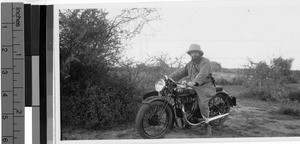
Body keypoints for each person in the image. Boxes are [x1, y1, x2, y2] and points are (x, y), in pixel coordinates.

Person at [169, 44, 216, 137]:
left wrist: (194, 82)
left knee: (202, 103)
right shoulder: (190, 64)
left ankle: (207, 125)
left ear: (199, 53)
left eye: (196, 52)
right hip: (194, 85)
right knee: (182, 98)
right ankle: (188, 119)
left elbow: (203, 73)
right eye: (192, 52)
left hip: (206, 86)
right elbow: (180, 73)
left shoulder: (205, 61)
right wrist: (169, 78)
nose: (194, 54)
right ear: (190, 54)